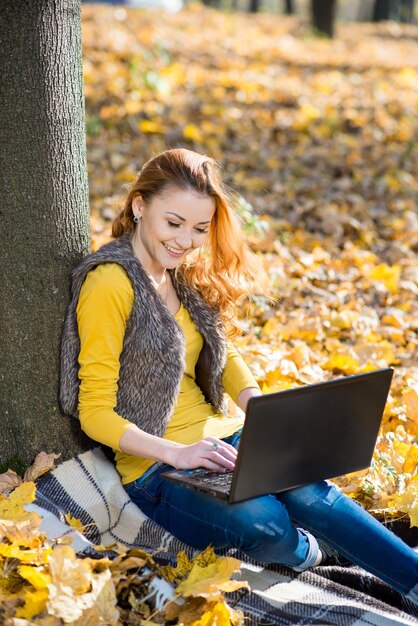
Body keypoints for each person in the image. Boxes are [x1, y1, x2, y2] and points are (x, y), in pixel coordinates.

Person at [60, 147, 418, 604]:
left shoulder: (179, 274)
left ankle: (412, 578)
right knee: (261, 520)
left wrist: (260, 410)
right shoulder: (109, 283)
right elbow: (94, 413)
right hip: (157, 467)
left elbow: (223, 353)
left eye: (198, 229)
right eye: (174, 223)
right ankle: (312, 551)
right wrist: (181, 452)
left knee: (309, 491)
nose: (185, 241)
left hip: (225, 438)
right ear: (138, 206)